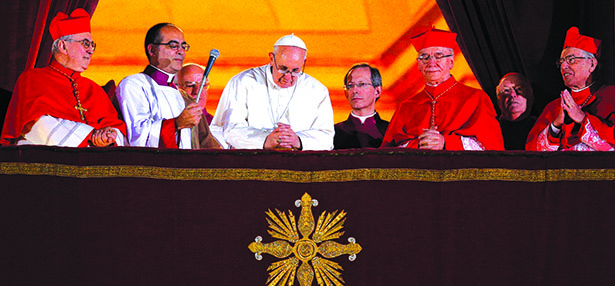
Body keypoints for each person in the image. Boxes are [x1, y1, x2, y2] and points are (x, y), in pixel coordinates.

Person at [0, 8, 126, 147]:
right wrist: (91, 136)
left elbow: (116, 129)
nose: (90, 50)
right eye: (85, 43)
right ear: (63, 46)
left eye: (92, 45)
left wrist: (109, 135)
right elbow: (38, 126)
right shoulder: (32, 79)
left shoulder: (94, 89)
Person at [381, 27, 503, 150]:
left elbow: (491, 148)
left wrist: (446, 142)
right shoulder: (406, 107)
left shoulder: (476, 98)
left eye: (438, 56)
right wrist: (418, 144)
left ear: (451, 62)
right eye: (424, 57)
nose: (431, 62)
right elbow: (387, 153)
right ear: (418, 65)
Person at [210, 34, 334, 150]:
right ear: (271, 58)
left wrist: (298, 141)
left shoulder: (317, 90)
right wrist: (265, 140)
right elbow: (229, 130)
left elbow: (327, 137)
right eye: (283, 69)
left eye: (295, 70)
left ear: (304, 63)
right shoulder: (243, 82)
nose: (288, 77)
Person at [526, 27, 615, 151]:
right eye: (561, 62)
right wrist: (555, 126)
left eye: (571, 60)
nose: (563, 66)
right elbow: (533, 153)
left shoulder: (612, 97)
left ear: (592, 64)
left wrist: (582, 118)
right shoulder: (553, 107)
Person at [116, 23, 201, 148]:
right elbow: (137, 135)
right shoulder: (133, 84)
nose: (181, 52)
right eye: (173, 46)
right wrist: (176, 124)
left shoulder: (180, 95)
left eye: (183, 46)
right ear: (152, 50)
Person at [334, 63, 389, 149]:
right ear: (346, 93)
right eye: (350, 85)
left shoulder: (390, 132)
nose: (355, 90)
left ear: (377, 91)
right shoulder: (333, 133)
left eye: (362, 84)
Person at [175, 63, 222, 149]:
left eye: (203, 86)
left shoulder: (219, 125)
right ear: (176, 88)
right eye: (189, 85)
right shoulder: (171, 122)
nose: (197, 91)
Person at [496, 73, 537, 150]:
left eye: (518, 89)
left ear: (529, 97)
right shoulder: (491, 128)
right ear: (498, 101)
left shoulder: (541, 126)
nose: (512, 94)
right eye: (506, 90)